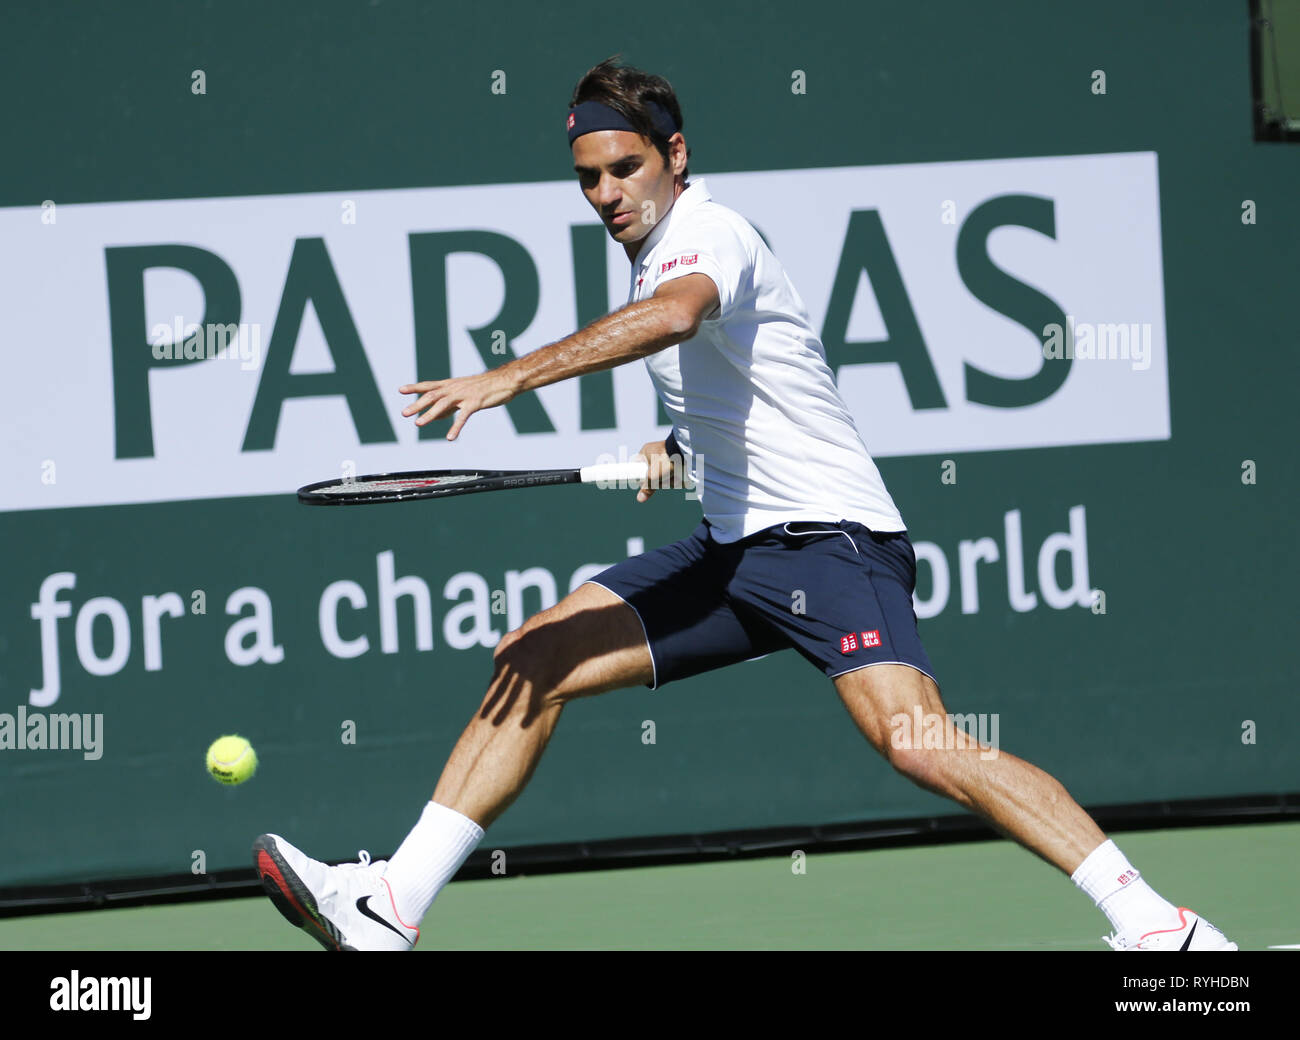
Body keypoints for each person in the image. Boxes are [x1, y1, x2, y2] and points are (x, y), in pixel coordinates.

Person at [253, 57, 1236, 952]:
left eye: (624, 168)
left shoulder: (709, 235)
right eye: (589, 176)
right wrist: (673, 453)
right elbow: (731, 414)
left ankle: (1154, 921)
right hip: (735, 552)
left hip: (827, 543)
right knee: (537, 654)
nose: (605, 193)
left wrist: (513, 377)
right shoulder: (657, 254)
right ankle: (392, 902)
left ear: (675, 156)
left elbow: (674, 317)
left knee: (919, 742)